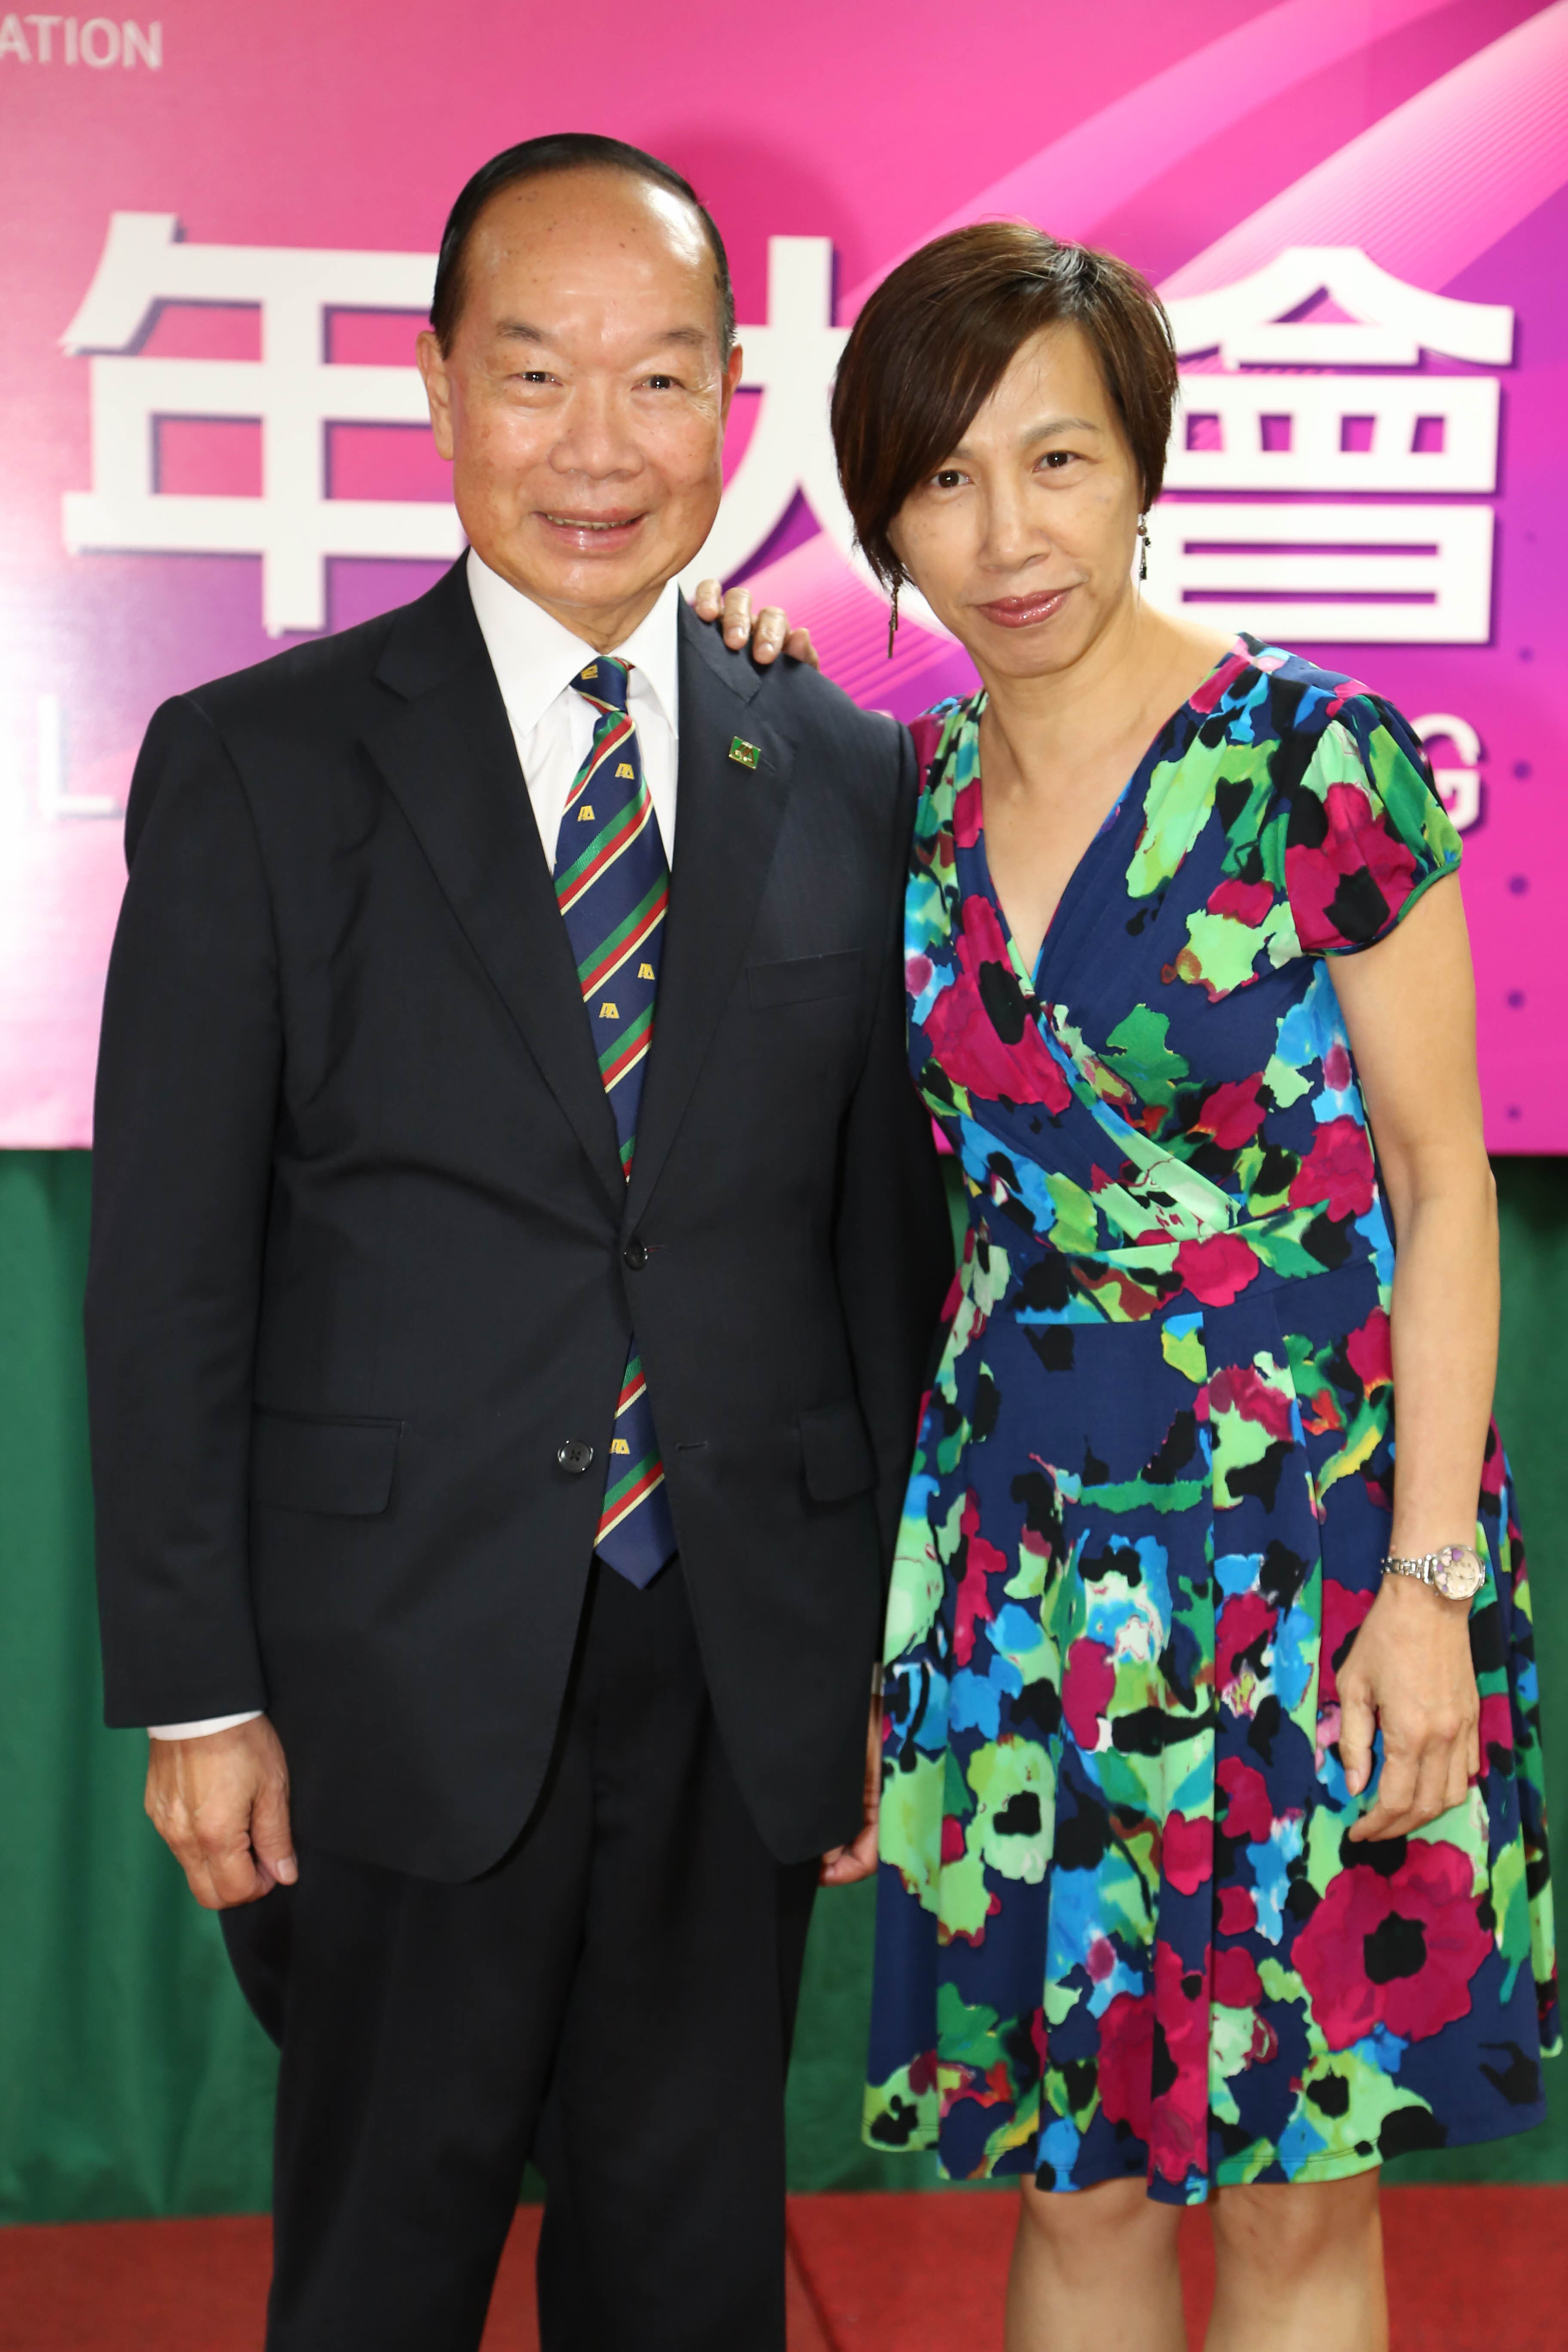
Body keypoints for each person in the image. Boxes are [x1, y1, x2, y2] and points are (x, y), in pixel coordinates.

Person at [84, 133, 952, 2352]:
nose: (599, 447)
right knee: (379, 2269)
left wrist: (869, 1656)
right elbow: (169, 1269)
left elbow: (878, 1258)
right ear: (438, 385)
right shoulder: (262, 764)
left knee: (688, 2273)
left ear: (733, 405)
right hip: (387, 1665)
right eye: (538, 373)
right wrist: (200, 1690)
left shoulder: (843, 771)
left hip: (733, 1654)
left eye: (660, 381)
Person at [821, 223, 1558, 2352]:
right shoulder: (903, 798)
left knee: (1305, 2201)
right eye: (943, 480)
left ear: (1144, 465)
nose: (1007, 535)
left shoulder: (1319, 757)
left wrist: (1427, 1588)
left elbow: (1439, 1182)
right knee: (1079, 2195)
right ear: (882, 516)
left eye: (1057, 461)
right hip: (1021, 1565)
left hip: (1312, 1554)